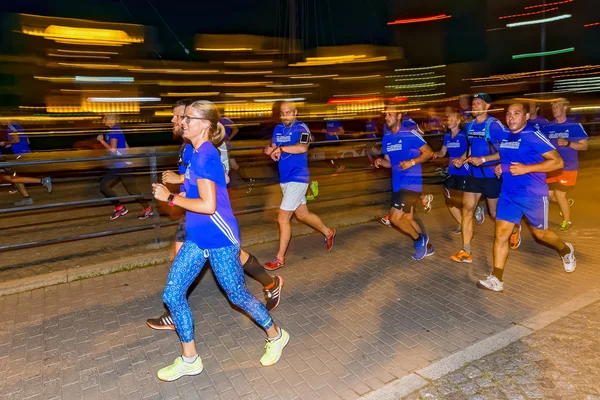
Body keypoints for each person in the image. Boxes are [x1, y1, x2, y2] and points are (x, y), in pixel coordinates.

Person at [151, 100, 289, 382]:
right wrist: (179, 180)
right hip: (197, 238)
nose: (183, 122)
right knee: (172, 294)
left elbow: (209, 204)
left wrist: (170, 197)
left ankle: (276, 336)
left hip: (220, 238)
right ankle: (190, 359)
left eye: (188, 118)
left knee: (237, 295)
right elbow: (206, 181)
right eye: (183, 117)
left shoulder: (205, 156)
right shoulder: (194, 152)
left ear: (204, 125)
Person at [477, 101, 576, 292]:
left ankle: (565, 249)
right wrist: (501, 166)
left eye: (516, 113)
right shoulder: (506, 137)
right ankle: (497, 278)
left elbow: (557, 162)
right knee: (500, 234)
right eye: (508, 114)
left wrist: (527, 169)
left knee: (541, 235)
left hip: (533, 194)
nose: (511, 117)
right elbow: (507, 156)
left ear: (526, 116)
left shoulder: (533, 135)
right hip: (508, 194)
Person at [263, 102, 337, 270]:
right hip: (285, 179)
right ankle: (328, 232)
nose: (285, 115)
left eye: (288, 112)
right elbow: (275, 150)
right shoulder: (277, 129)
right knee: (302, 215)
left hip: (298, 177)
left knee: (282, 218)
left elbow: (303, 148)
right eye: (282, 113)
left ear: (295, 112)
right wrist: (270, 152)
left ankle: (280, 258)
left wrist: (280, 149)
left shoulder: (302, 128)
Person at [450, 93, 508, 263]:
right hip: (473, 175)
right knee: (467, 210)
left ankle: (513, 229)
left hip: (491, 175)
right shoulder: (469, 126)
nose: (474, 106)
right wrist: (462, 158)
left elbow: (506, 150)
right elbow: (470, 149)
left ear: (487, 106)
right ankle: (466, 251)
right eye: (473, 103)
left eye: (478, 103)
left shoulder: (494, 126)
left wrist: (483, 160)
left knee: (494, 213)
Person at [374, 105, 435, 260]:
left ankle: (419, 240)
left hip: (411, 183)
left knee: (394, 219)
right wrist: (381, 161)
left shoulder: (409, 134)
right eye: (386, 115)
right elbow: (390, 163)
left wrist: (412, 162)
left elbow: (428, 153)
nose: (387, 117)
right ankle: (427, 247)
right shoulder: (386, 138)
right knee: (408, 219)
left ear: (399, 116)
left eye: (390, 114)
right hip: (397, 184)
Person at [432, 111, 484, 235]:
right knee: (449, 201)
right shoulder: (447, 137)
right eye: (448, 119)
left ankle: (476, 210)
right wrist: (436, 154)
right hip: (452, 171)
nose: (448, 121)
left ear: (458, 121)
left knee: (463, 201)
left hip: (465, 171)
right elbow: (443, 152)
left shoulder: (464, 135)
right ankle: (462, 224)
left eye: (451, 118)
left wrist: (462, 159)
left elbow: (471, 150)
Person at [541, 98, 588, 231]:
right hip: (551, 166)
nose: (554, 109)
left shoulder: (574, 126)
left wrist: (568, 143)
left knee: (560, 194)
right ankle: (565, 204)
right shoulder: (547, 127)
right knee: (548, 195)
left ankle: (567, 222)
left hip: (568, 168)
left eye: (557, 106)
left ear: (565, 108)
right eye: (553, 107)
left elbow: (584, 146)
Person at [97, 114, 153, 220]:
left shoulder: (113, 132)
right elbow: (126, 146)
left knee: (104, 186)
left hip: (120, 165)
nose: (104, 120)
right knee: (131, 189)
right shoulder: (118, 130)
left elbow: (113, 150)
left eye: (106, 118)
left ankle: (120, 208)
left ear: (112, 120)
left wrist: (101, 141)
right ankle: (148, 208)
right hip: (123, 164)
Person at [1, 123, 52, 205]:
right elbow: (27, 141)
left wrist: (4, 143)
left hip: (19, 154)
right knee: (14, 177)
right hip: (25, 153)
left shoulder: (11, 126)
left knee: (13, 178)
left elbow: (17, 140)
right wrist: (10, 143)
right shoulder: (19, 126)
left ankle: (43, 181)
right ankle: (27, 197)